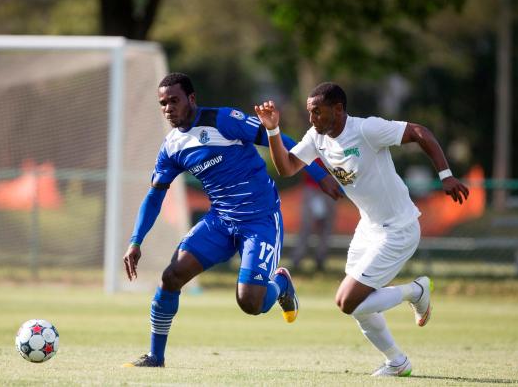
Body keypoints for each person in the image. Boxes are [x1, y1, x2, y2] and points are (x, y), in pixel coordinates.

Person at [121, 73, 340, 368]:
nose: (168, 108)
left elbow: (279, 138)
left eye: (174, 100)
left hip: (260, 220)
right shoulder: (171, 147)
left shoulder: (223, 120)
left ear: (192, 99)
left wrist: (319, 174)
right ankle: (155, 356)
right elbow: (154, 196)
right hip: (221, 221)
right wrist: (136, 240)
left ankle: (281, 284)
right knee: (171, 276)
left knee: (250, 302)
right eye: (163, 103)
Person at [254, 82, 469, 377]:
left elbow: (420, 132)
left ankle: (415, 291)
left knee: (346, 301)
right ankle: (397, 361)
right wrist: (273, 131)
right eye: (309, 112)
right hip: (369, 228)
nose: (312, 118)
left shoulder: (367, 129)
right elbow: (287, 167)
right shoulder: (316, 137)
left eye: (317, 112)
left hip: (399, 229)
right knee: (358, 305)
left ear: (338, 109)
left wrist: (446, 176)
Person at [292, 160, 337, 272]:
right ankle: (297, 259)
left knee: (326, 227)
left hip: (329, 189)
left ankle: (320, 260)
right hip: (312, 188)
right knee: (306, 226)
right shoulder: (312, 142)